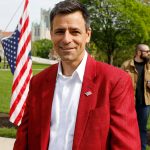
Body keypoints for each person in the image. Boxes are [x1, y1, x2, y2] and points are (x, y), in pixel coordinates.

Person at [13, 0, 140, 149]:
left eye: (75, 31)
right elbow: (24, 139)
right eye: (60, 31)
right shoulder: (38, 82)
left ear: (88, 35)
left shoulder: (115, 81)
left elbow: (126, 146)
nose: (66, 39)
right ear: (52, 34)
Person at [121, 44, 150, 150]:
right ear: (138, 52)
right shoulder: (126, 65)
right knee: (127, 127)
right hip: (128, 103)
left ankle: (141, 148)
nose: (148, 53)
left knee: (142, 129)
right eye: (146, 51)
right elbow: (119, 83)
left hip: (144, 103)